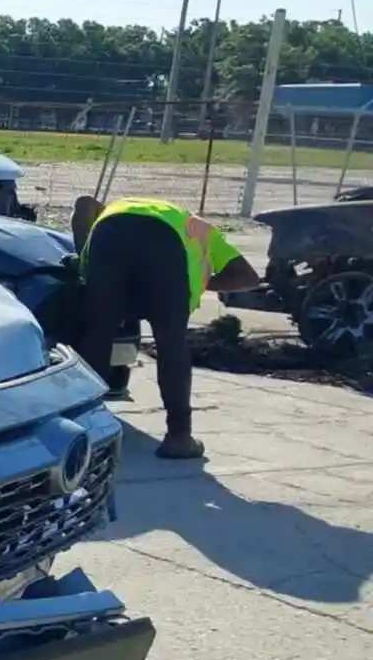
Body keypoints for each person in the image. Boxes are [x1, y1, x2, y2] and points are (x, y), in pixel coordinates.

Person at [71, 195, 260, 461]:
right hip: (165, 247)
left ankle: (86, 431)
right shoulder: (202, 231)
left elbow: (84, 203)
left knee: (98, 333)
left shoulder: (121, 207)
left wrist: (84, 257)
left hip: (110, 231)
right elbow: (249, 277)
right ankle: (179, 436)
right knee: (171, 342)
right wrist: (207, 282)